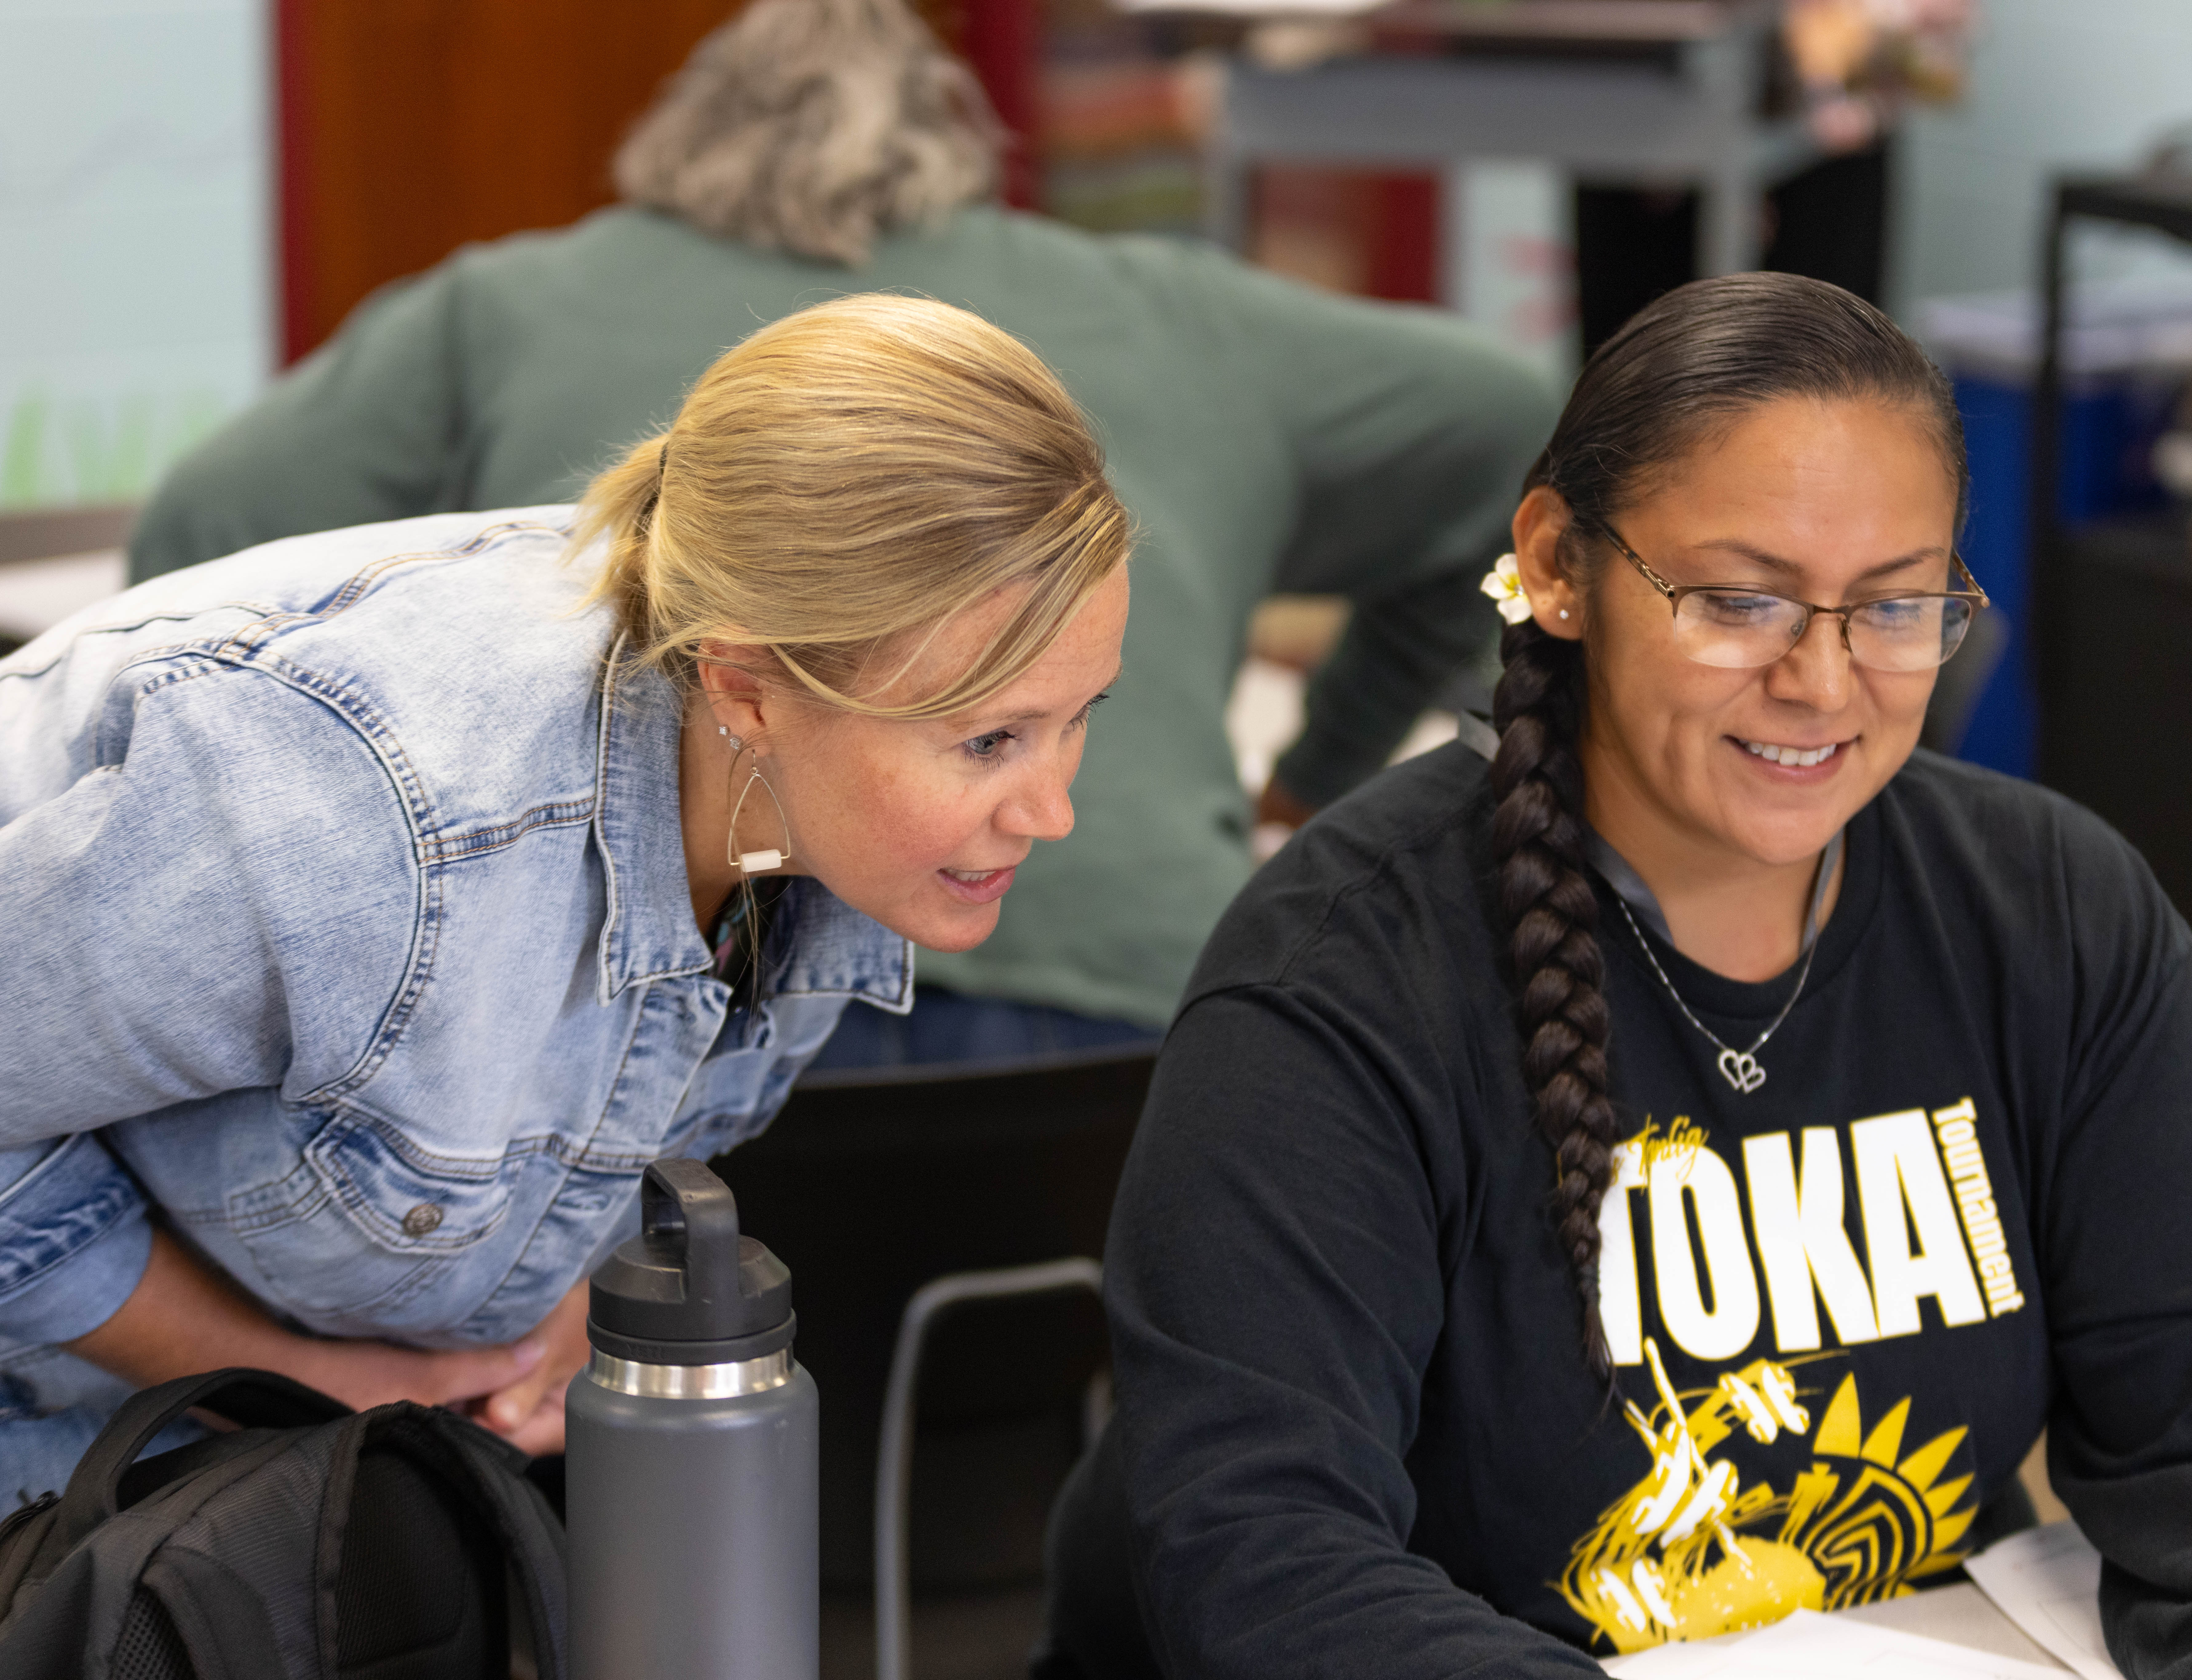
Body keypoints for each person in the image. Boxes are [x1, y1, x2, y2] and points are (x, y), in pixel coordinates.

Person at [1037, 274, 2192, 1680]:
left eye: (1893, 605)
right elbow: (1264, 1555)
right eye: (1739, 600)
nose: (1821, 681)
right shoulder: (1337, 978)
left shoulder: (2053, 911)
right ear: (1557, 566)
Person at [125, 0, 1560, 1067]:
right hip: (1130, 1017)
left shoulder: (506, 304)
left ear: (675, 150)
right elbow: (1533, 449)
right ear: (959, 153)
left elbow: (209, 528)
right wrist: (1313, 776)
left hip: (657, 1004)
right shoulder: (1175, 308)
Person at [0, 295, 1130, 1497]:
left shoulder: (804, 827)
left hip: (271, 1482)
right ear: (747, 690)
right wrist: (284, 1382)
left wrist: (558, 1299)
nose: (1050, 810)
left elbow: (608, 1115)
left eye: (1078, 719)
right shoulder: (362, 821)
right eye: (990, 740)